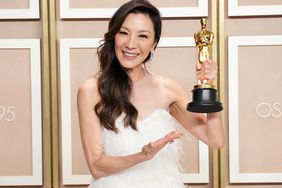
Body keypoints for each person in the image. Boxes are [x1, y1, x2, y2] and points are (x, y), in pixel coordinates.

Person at [77, 0, 224, 187]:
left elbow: (215, 140)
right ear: (114, 36)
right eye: (124, 33)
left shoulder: (168, 89)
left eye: (142, 36)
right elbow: (96, 166)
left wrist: (208, 87)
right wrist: (142, 156)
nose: (130, 44)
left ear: (154, 44)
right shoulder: (91, 91)